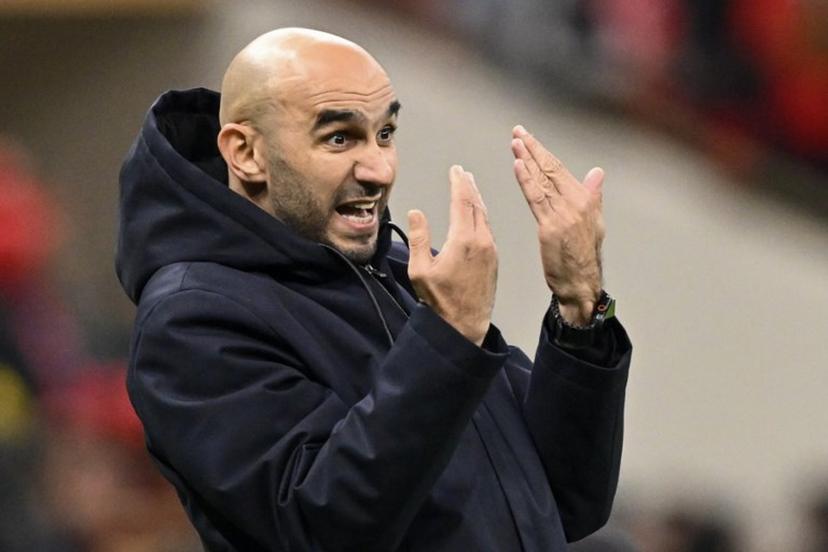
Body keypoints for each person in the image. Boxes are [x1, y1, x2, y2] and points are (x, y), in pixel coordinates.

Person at [116, 27, 632, 552]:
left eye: (384, 133)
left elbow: (567, 497)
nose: (379, 169)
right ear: (246, 153)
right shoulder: (189, 320)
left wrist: (579, 305)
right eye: (339, 138)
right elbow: (323, 526)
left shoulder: (395, 270)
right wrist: (449, 337)